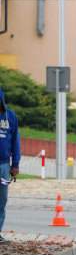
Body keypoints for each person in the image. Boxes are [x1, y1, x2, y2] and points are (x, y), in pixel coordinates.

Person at [0, 86, 21, 243]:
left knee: (2, 200)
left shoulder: (10, 116)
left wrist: (16, 164)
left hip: (5, 166)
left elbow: (15, 142)